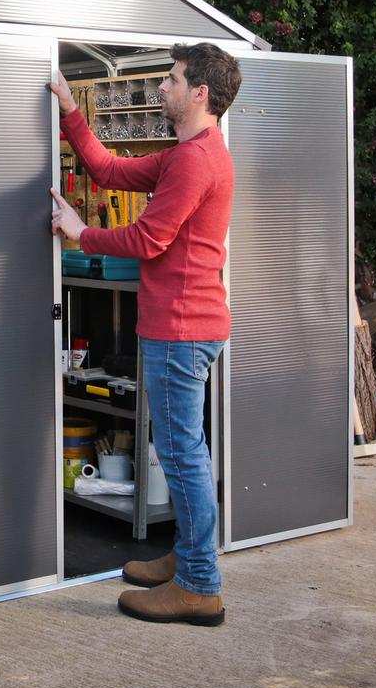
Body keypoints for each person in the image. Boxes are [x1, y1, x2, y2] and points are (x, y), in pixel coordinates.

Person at [48, 43, 240, 626]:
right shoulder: (186, 154)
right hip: (182, 324)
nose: (161, 87)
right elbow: (108, 171)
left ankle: (199, 585)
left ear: (199, 93)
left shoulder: (195, 161)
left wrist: (81, 232)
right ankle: (188, 557)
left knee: (181, 455)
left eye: (172, 80)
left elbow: (148, 239)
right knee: (183, 449)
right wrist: (69, 108)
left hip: (181, 328)